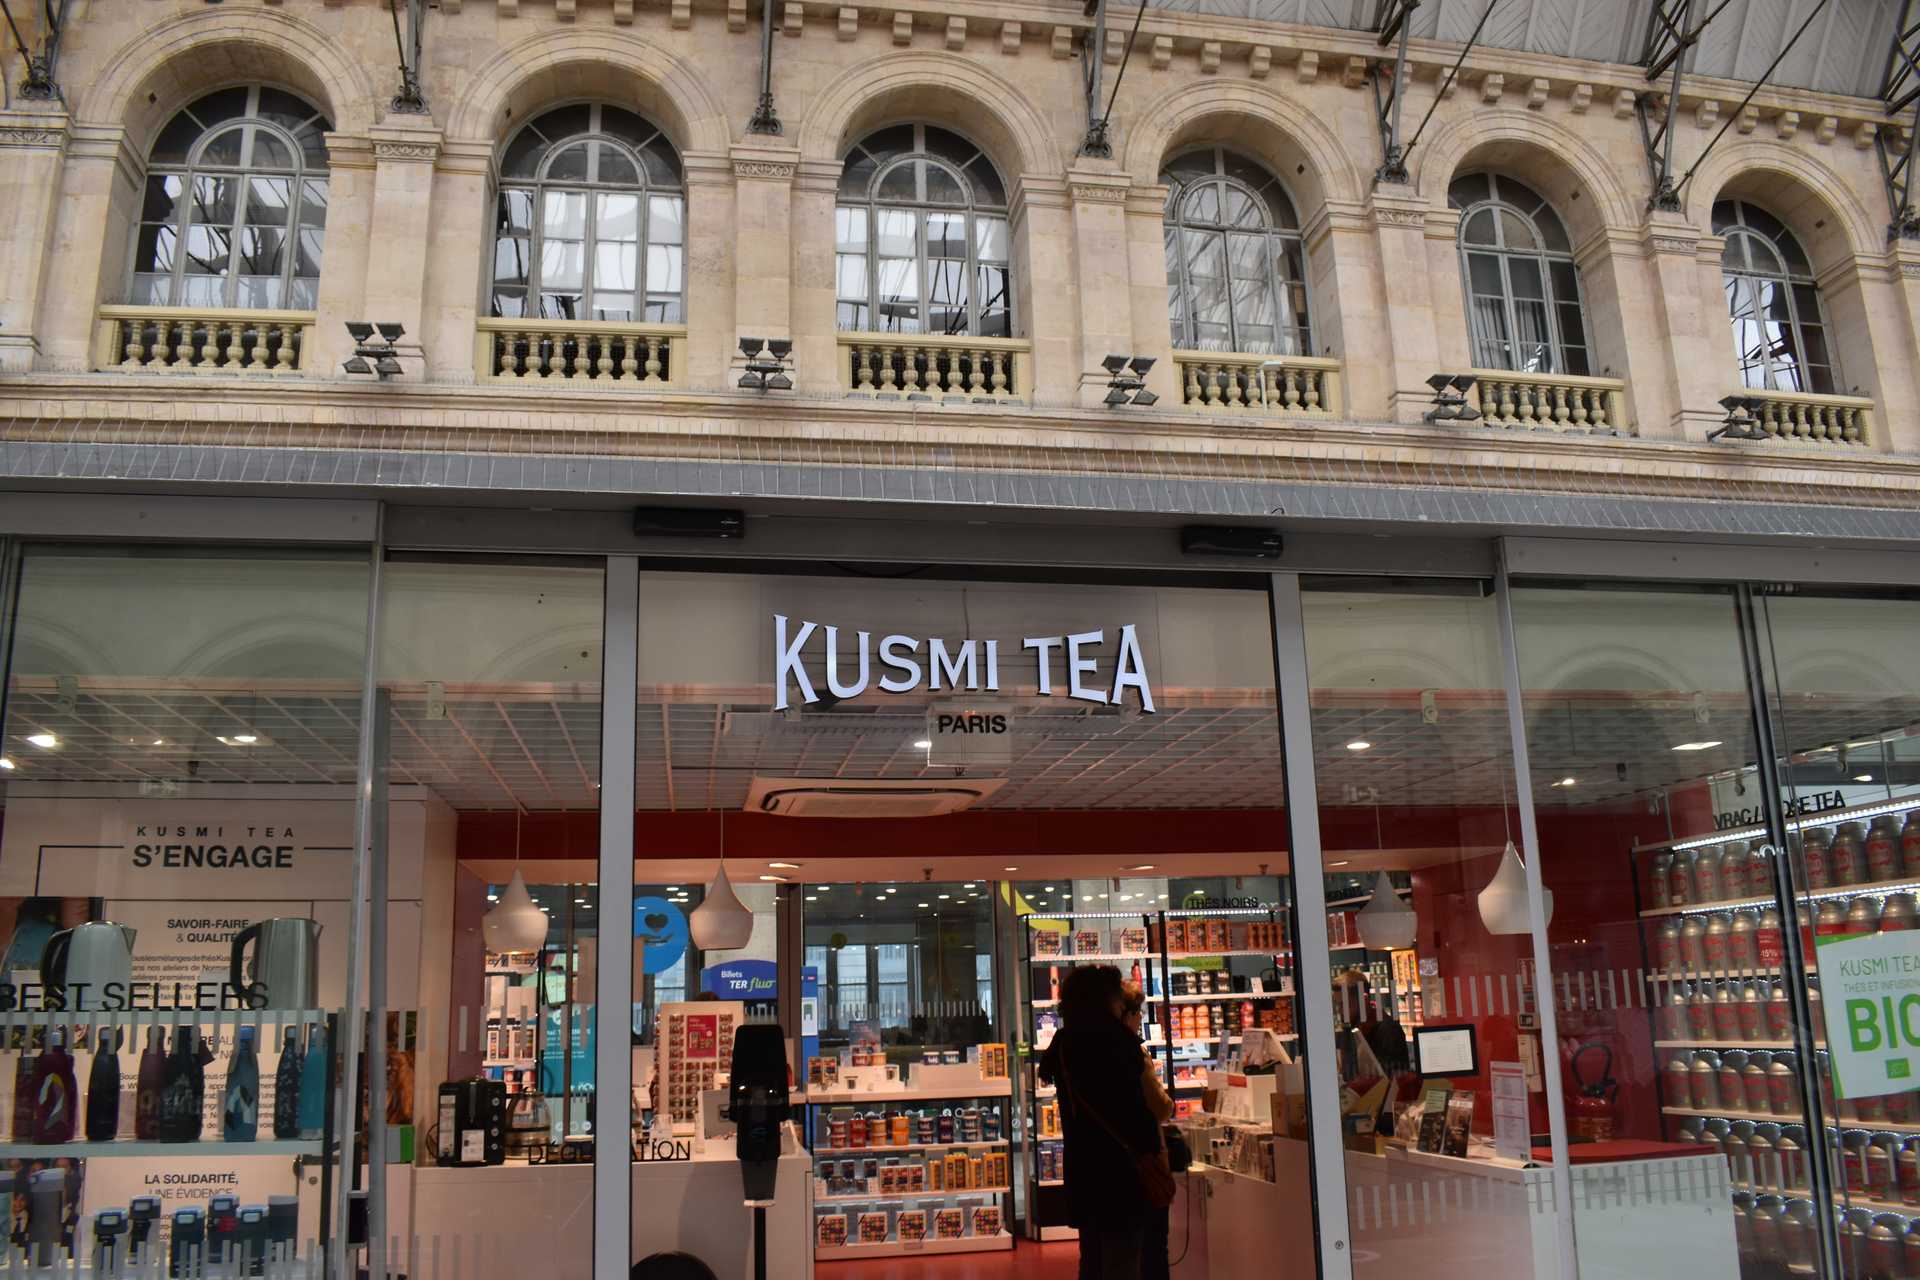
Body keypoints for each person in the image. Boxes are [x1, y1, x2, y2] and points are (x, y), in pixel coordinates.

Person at [1038, 965, 1163, 1280]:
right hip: (1122, 1172)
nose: (1121, 1004)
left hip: (1084, 1168)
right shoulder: (1118, 1044)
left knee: (1092, 1258)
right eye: (1116, 997)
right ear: (1104, 1000)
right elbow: (1134, 1111)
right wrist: (1151, 1150)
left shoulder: (1064, 1045)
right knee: (1123, 1259)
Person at [1121, 984, 1174, 1280]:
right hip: (1145, 1162)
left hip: (1115, 1168)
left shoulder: (1089, 1052)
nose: (1140, 1017)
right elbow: (1160, 1106)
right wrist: (1169, 1103)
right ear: (1127, 1014)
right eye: (1138, 1011)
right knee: (1155, 1247)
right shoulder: (1134, 1053)